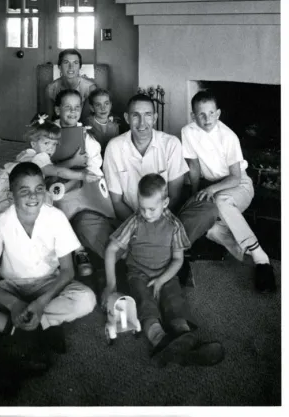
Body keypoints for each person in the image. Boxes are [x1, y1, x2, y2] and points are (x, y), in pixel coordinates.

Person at [0, 162, 97, 392]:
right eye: (24, 190)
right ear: (11, 193)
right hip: (10, 288)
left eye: (39, 188)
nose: (33, 196)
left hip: (48, 285)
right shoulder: (0, 224)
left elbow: (67, 271)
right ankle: (25, 328)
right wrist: (14, 305)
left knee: (86, 299)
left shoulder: (56, 218)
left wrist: (40, 303)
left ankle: (19, 326)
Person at [72, 94, 219, 285]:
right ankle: (164, 259)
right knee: (83, 221)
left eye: (148, 115)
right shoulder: (114, 147)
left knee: (207, 208)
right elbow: (116, 201)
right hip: (128, 224)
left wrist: (157, 228)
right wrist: (139, 227)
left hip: (166, 223)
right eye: (136, 115)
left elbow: (174, 196)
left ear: (155, 118)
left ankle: (140, 258)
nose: (142, 122)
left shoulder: (171, 144)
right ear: (126, 118)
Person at [102, 174, 224, 367]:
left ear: (165, 202)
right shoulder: (135, 221)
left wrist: (161, 280)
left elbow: (177, 259)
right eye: (142, 208)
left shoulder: (174, 225)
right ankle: (160, 340)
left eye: (151, 209)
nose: (146, 214)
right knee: (145, 302)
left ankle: (185, 338)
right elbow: (111, 249)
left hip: (165, 273)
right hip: (138, 274)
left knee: (174, 299)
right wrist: (111, 285)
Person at [0, 113, 99, 275]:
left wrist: (72, 162)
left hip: (9, 187)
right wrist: (82, 175)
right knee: (30, 217)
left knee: (10, 219)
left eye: (54, 145)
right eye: (46, 143)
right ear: (34, 143)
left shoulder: (30, 153)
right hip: (15, 190)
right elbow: (55, 169)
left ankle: (7, 251)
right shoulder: (40, 157)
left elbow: (48, 167)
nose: (50, 148)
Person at [181, 90, 276, 293]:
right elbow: (194, 166)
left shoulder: (228, 136)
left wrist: (211, 189)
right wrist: (195, 195)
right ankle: (246, 250)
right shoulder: (187, 132)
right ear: (193, 115)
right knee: (209, 228)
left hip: (238, 185)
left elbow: (235, 177)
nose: (207, 119)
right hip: (212, 188)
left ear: (218, 113)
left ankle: (260, 257)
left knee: (223, 201)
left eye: (211, 113)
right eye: (201, 114)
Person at [45, 49, 97, 121]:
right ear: (59, 67)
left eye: (75, 63)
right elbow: (48, 118)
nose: (71, 67)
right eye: (66, 62)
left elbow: (86, 119)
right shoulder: (51, 88)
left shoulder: (90, 88)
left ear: (80, 67)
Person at [84, 88, 121, 154]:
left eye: (106, 103)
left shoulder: (115, 125)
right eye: (98, 105)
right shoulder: (87, 125)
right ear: (92, 108)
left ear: (111, 105)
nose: (103, 108)